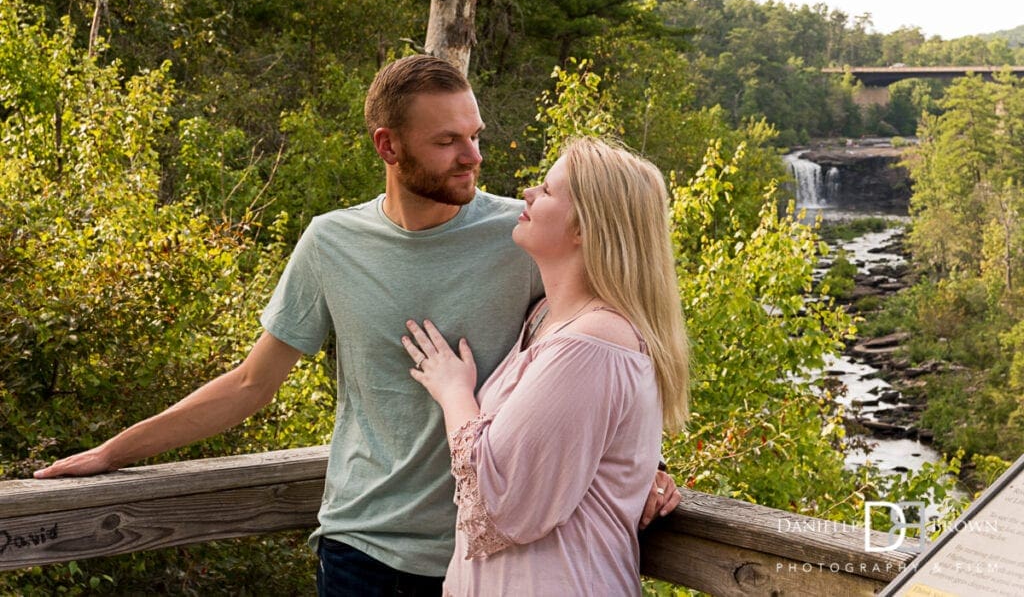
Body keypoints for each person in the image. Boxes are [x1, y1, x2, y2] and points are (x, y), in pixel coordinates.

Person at [33, 56, 681, 595]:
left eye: (475, 134)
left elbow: (605, 345)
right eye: (447, 141)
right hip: (362, 551)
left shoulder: (521, 236)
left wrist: (642, 463)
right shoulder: (331, 244)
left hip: (491, 559)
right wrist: (114, 453)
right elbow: (249, 386)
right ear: (387, 145)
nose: (474, 156)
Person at [401, 137, 690, 595]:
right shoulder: (546, 319)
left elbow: (500, 502)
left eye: (549, 190)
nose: (529, 194)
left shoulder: (594, 342)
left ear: (584, 228)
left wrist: (454, 391)